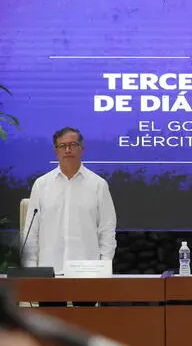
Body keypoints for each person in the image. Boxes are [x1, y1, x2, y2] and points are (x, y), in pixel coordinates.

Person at [22, 127, 117, 307]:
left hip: (87, 272)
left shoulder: (98, 185)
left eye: (73, 145)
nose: (67, 150)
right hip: (49, 272)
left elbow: (107, 230)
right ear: (55, 150)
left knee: (85, 327)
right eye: (62, 146)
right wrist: (31, 270)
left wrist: (104, 268)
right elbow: (30, 232)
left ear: (82, 148)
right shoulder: (41, 185)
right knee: (50, 330)